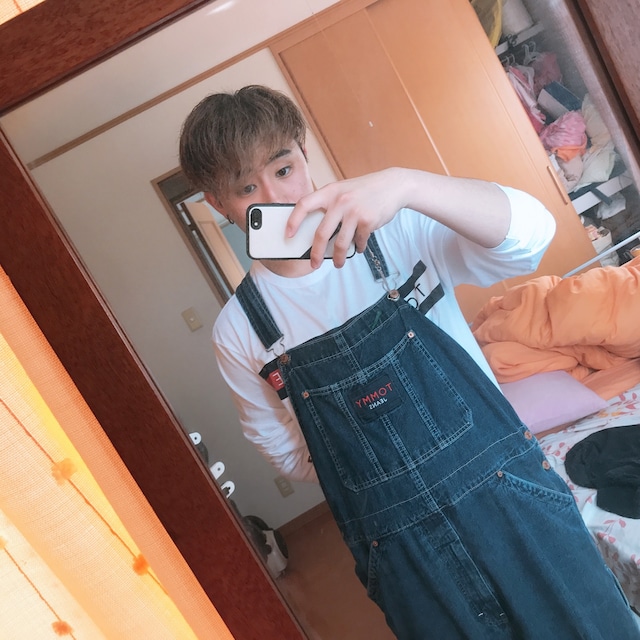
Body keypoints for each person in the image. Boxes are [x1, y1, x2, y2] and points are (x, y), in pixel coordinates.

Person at [179, 85, 639, 639]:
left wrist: (408, 184)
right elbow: (283, 449)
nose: (278, 198)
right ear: (219, 205)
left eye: (284, 169)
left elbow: (531, 238)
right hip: (403, 557)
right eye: (247, 188)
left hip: (513, 499)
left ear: (304, 154)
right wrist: (364, 470)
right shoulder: (240, 330)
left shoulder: (396, 231)